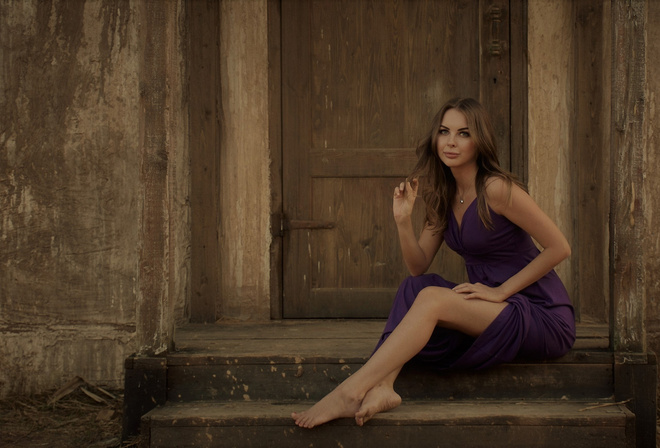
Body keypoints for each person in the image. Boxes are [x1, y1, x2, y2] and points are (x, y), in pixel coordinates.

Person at [291, 97, 576, 429]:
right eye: (444, 131)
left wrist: (501, 292)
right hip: (492, 309)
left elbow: (559, 247)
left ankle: (351, 390)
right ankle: (383, 386)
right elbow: (418, 265)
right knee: (416, 288)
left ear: (480, 140)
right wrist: (402, 222)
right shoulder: (445, 194)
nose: (451, 142)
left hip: (539, 313)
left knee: (431, 299)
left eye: (463, 133)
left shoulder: (497, 189)